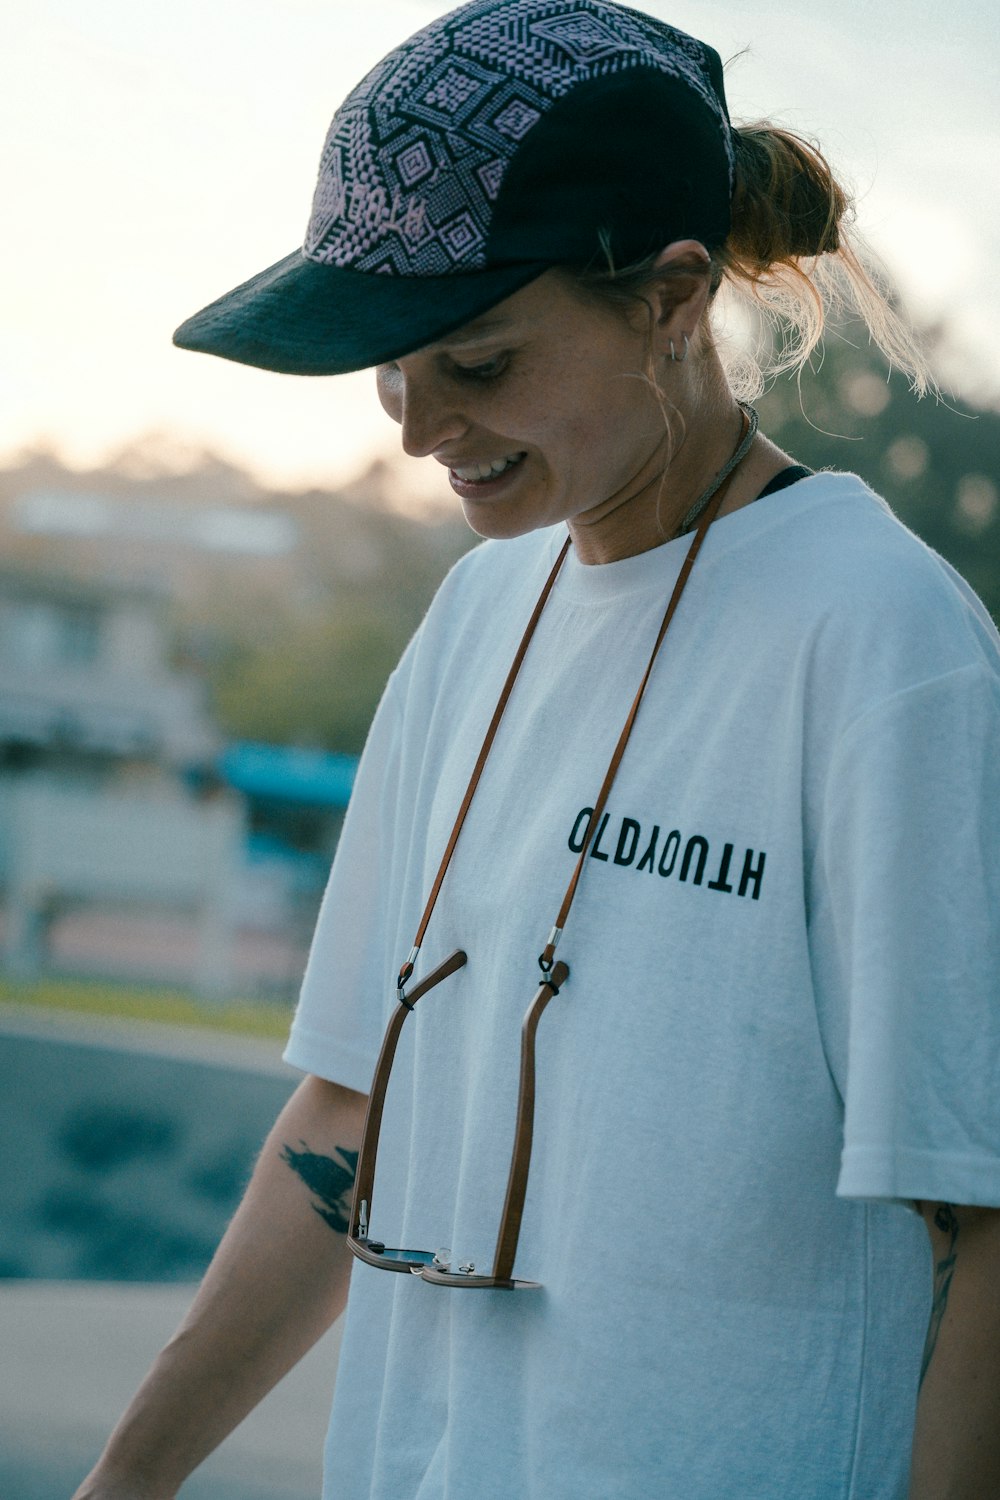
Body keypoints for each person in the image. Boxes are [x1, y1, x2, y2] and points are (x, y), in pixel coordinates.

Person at [74, 2, 1000, 1497]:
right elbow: (348, 1113)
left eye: (482, 365)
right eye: (393, 368)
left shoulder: (884, 643)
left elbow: (980, 1222)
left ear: (674, 302)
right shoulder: (477, 610)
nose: (418, 427)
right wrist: (123, 1484)